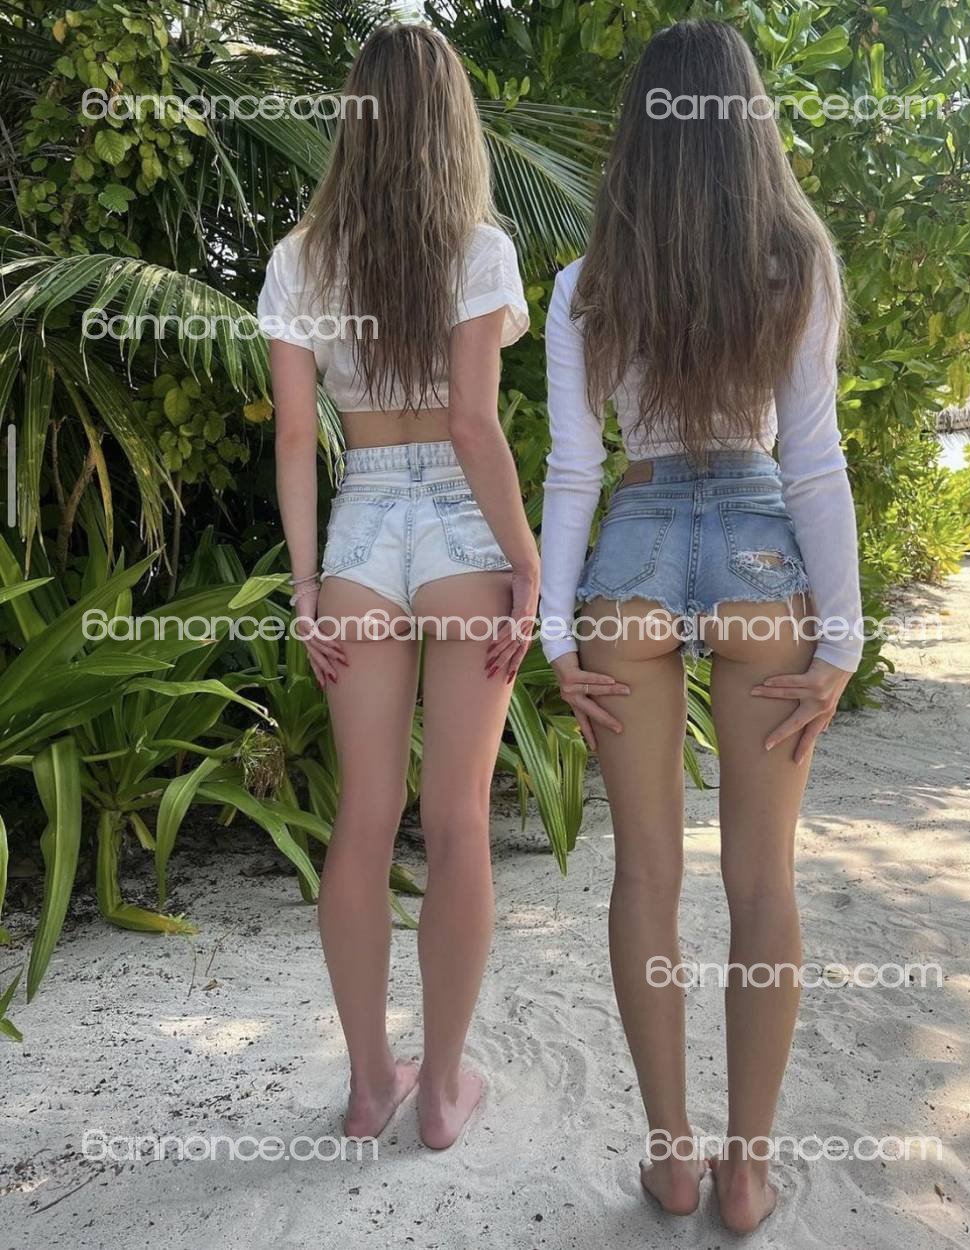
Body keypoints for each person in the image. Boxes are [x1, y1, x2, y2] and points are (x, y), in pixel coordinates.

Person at [539, 18, 863, 1233]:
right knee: (761, 879)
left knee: (645, 873)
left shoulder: (588, 285)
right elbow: (815, 463)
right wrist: (841, 639)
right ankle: (747, 1172)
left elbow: (574, 468)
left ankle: (672, 1158)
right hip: (760, 558)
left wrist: (554, 634)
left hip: (629, 552)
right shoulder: (794, 263)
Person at [259, 23, 536, 1150]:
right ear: (453, 123)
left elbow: (293, 436)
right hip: (464, 526)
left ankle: (371, 1082)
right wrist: (526, 560)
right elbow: (473, 424)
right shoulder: (479, 248)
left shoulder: (299, 259)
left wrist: (306, 585)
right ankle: (444, 1089)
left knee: (363, 817)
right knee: (457, 817)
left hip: (362, 526)